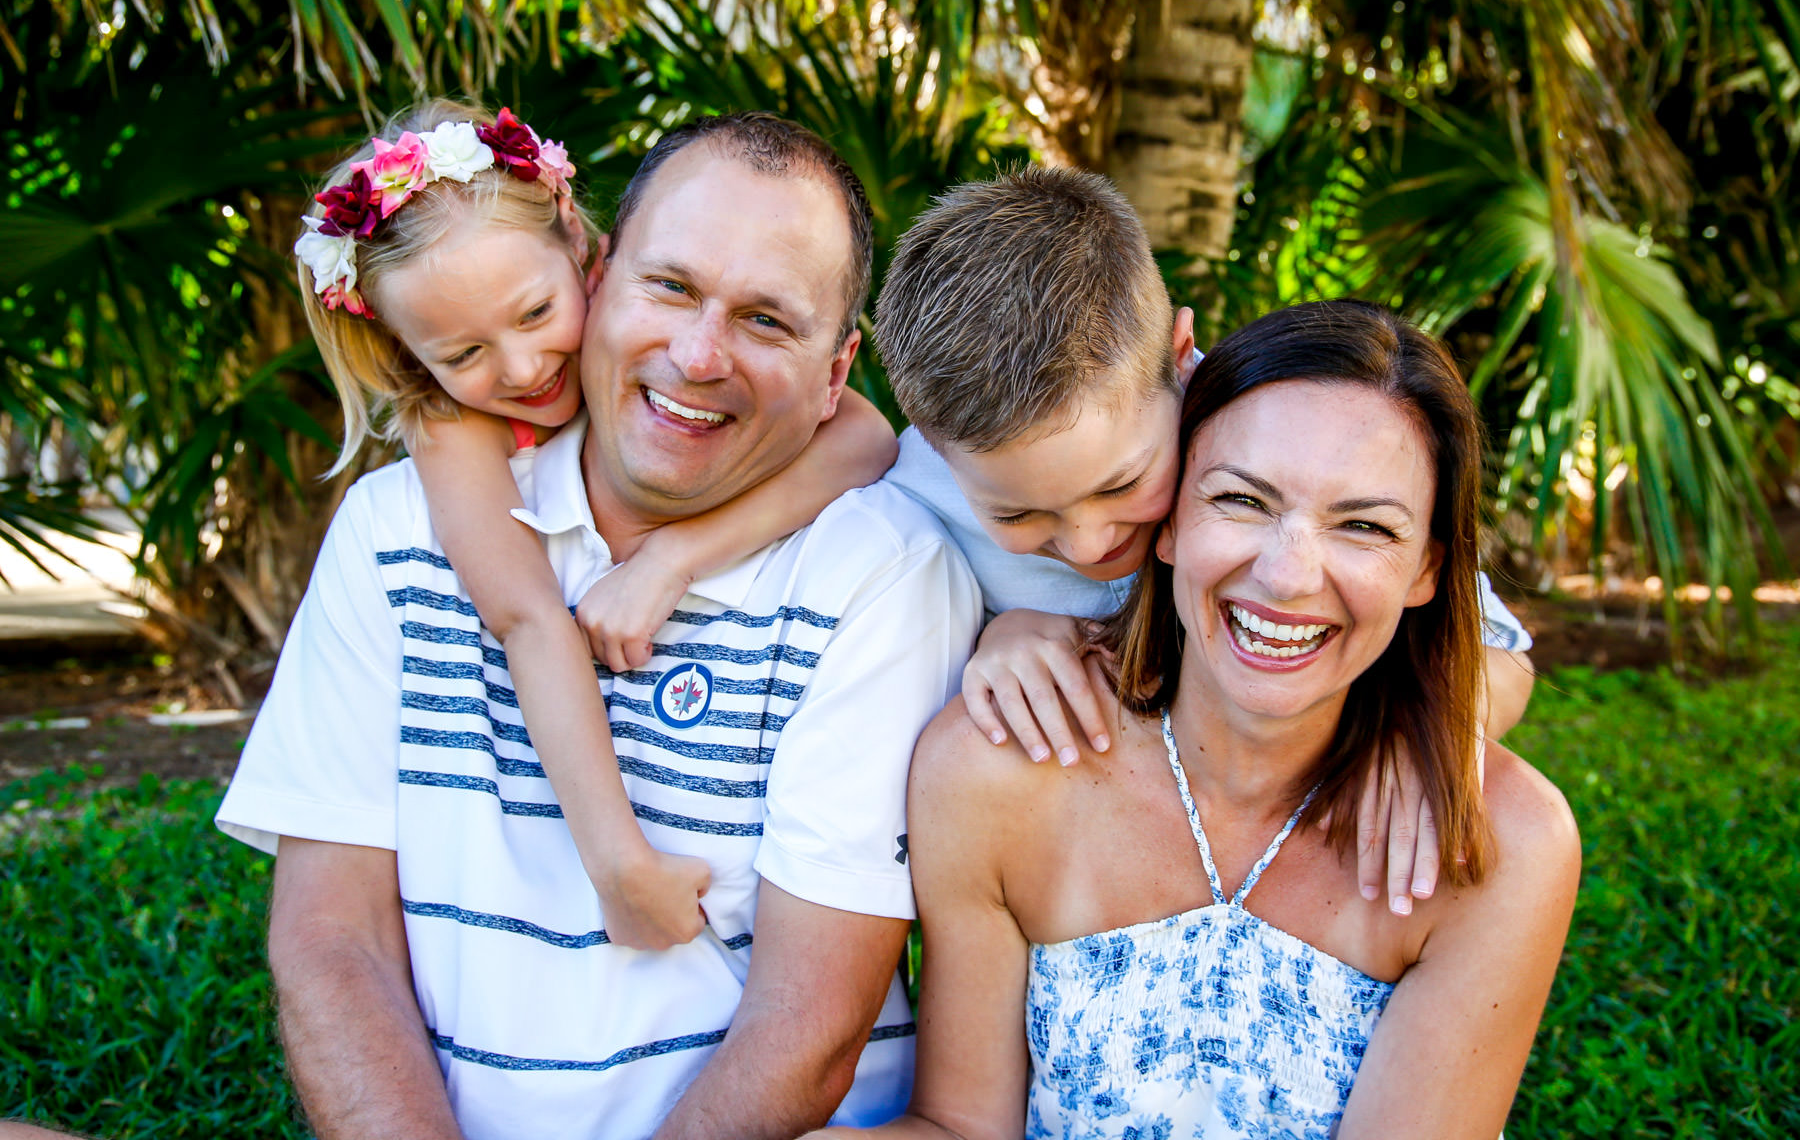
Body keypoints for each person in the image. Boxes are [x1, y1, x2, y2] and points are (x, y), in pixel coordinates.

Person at [216, 112, 981, 1139]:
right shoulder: (398, 530)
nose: (699, 355)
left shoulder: (882, 572)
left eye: (767, 320)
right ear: (602, 270)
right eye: (670, 287)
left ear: (838, 370)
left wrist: (674, 559)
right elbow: (329, 940)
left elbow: (807, 1031)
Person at [815, 299, 1580, 1139]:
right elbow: (961, 1126)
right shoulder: (996, 769)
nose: (1288, 575)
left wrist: (1438, 724)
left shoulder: (1499, 844)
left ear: (1429, 568)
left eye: (1363, 525)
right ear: (1171, 517)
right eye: (1244, 501)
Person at [290, 99, 899, 949]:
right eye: (462, 355)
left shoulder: (651, 329)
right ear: (408, 355)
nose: (523, 366)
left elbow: (866, 436)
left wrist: (676, 558)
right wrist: (618, 865)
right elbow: (529, 619)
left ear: (584, 248)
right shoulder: (455, 426)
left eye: (538, 315)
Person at [877, 167, 1538, 915]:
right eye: (1015, 516)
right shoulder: (914, 495)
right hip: (1084, 849)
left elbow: (1502, 653)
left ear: (1182, 356)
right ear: (933, 447)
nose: (1091, 542)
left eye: (1122, 484)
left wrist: (1428, 732)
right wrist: (993, 637)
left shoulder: (1258, 437)